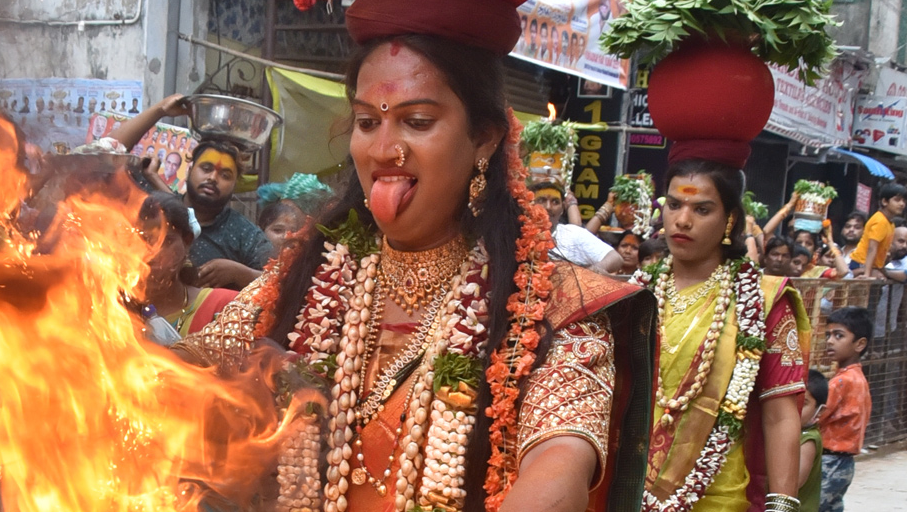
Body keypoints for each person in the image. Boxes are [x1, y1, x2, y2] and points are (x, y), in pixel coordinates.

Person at [180, 35, 658, 512]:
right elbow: (177, 375)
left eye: (417, 121)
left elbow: (558, 469)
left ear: (484, 139)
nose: (384, 149)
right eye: (368, 122)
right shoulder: (306, 278)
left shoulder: (551, 304)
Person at [636, 158, 809, 512]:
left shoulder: (763, 299)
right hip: (626, 488)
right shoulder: (635, 294)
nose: (682, 220)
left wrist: (782, 507)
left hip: (714, 496)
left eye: (702, 209)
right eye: (673, 205)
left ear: (730, 218)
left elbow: (780, 415)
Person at [138, 193, 237, 339]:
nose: (152, 254)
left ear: (187, 242)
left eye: (166, 242)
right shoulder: (108, 313)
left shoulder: (223, 306)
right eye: (142, 241)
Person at [183, 140, 273, 289]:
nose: (212, 178)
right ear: (189, 169)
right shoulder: (159, 210)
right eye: (206, 168)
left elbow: (281, 281)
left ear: (235, 184)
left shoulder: (245, 233)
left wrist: (240, 274)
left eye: (225, 175)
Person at [816, 307, 872, 512]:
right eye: (828, 335)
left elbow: (818, 416)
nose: (830, 341)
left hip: (830, 460)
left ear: (860, 344)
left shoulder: (841, 381)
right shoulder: (859, 378)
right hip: (845, 462)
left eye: (839, 335)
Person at [531, 179, 623, 274]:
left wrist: (593, 271)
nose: (548, 207)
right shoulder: (518, 232)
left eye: (555, 202)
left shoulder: (573, 233)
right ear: (530, 204)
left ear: (562, 208)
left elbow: (615, 258)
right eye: (541, 200)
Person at [851, 184, 907, 278]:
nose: (902, 204)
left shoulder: (890, 224)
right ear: (885, 201)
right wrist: (867, 274)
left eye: (904, 201)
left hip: (873, 266)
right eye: (897, 200)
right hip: (861, 263)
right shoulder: (880, 220)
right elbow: (872, 248)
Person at [799, 370, 829, 512]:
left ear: (820, 411)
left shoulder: (808, 439)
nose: (794, 408)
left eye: (803, 404)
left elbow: (795, 481)